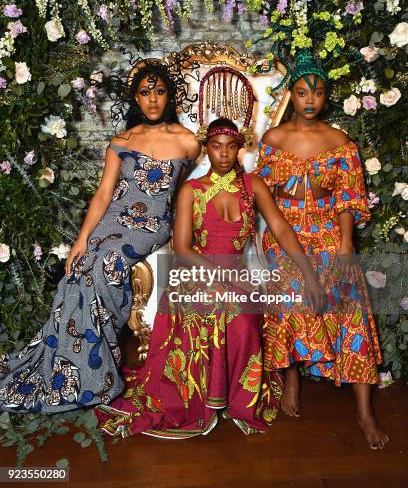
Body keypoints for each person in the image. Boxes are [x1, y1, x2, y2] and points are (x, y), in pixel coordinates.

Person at [95, 117, 323, 438]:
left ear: (240, 148)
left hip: (237, 277)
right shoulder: (191, 190)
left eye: (231, 147)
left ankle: (234, 399)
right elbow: (184, 250)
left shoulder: (253, 186)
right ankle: (203, 397)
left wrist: (308, 272)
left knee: (244, 318)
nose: (225, 154)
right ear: (206, 150)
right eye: (216, 147)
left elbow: (281, 227)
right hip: (196, 275)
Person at [0, 61, 200, 414]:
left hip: (150, 226)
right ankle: (76, 368)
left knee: (105, 264)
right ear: (135, 99)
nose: (152, 100)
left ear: (169, 96)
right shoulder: (121, 141)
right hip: (111, 220)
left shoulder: (187, 141)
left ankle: (94, 376)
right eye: (144, 93)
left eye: (159, 92)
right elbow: (104, 194)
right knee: (79, 268)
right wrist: (81, 240)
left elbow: (187, 193)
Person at [255, 48, 388, 450]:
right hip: (285, 236)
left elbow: (349, 198)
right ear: (290, 96)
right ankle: (292, 380)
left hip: (330, 233)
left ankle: (365, 412)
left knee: (351, 309)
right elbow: (264, 197)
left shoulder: (340, 141)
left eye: (316, 93)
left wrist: (346, 247)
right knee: (294, 300)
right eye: (300, 93)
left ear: (326, 96)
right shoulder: (274, 140)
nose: (309, 100)